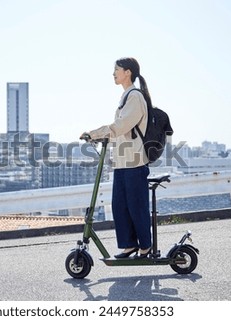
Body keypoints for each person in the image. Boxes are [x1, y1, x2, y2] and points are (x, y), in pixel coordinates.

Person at [81, 57, 152, 259]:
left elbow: (120, 127)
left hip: (134, 161)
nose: (114, 73)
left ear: (127, 72)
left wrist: (94, 133)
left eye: (116, 69)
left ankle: (145, 247)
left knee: (136, 205)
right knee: (120, 205)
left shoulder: (135, 97)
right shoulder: (126, 97)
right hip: (122, 161)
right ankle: (129, 245)